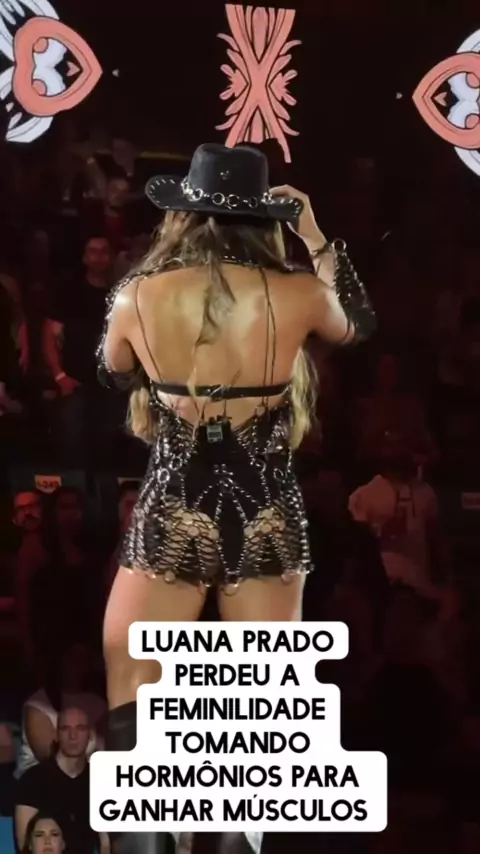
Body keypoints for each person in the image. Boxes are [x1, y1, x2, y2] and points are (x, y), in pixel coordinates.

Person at [98, 142, 376, 854]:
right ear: (264, 217)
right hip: (265, 508)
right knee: (257, 716)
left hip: (175, 503)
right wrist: (314, 236)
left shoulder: (139, 293)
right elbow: (358, 324)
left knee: (133, 684)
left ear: (186, 213)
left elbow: (111, 370)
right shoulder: (297, 292)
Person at [14, 706, 108, 854]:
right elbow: (25, 846)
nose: (73, 736)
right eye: (65, 729)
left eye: (80, 728)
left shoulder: (100, 781)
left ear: (90, 734)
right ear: (57, 735)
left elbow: (106, 844)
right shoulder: (32, 780)